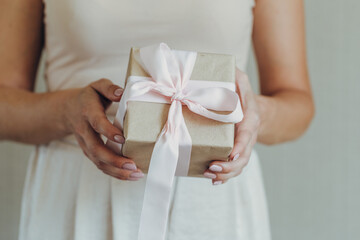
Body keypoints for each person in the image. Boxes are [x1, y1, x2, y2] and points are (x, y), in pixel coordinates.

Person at [0, 0, 314, 239]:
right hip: (76, 192)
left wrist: (255, 114)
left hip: (210, 195)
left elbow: (297, 102)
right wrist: (66, 111)